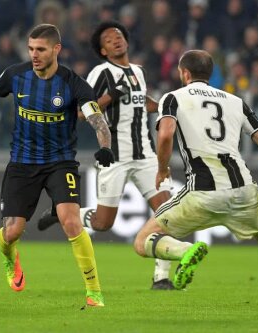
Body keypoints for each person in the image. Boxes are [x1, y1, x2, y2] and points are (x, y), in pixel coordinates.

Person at [132, 50, 258, 317]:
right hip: (244, 190)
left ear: (184, 73)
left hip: (203, 192)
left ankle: (185, 251)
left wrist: (162, 168)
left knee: (143, 240)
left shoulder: (173, 98)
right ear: (210, 73)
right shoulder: (235, 101)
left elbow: (166, 134)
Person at [0, 24, 114, 307]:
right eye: (30, 49)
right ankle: (9, 257)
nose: (34, 55)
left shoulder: (73, 84)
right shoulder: (17, 74)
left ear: (56, 49)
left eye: (40, 49)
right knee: (12, 232)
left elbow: (96, 118)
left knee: (71, 221)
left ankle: (94, 293)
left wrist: (105, 147)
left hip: (60, 162)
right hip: (22, 164)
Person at [37, 21, 174, 290]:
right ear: (102, 50)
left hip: (145, 155)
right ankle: (62, 213)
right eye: (110, 39)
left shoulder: (139, 71)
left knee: (168, 212)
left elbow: (143, 102)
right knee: (102, 223)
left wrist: (165, 108)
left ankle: (161, 277)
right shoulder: (100, 73)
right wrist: (109, 96)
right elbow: (78, 111)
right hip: (115, 157)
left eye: (119, 35)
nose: (116, 40)